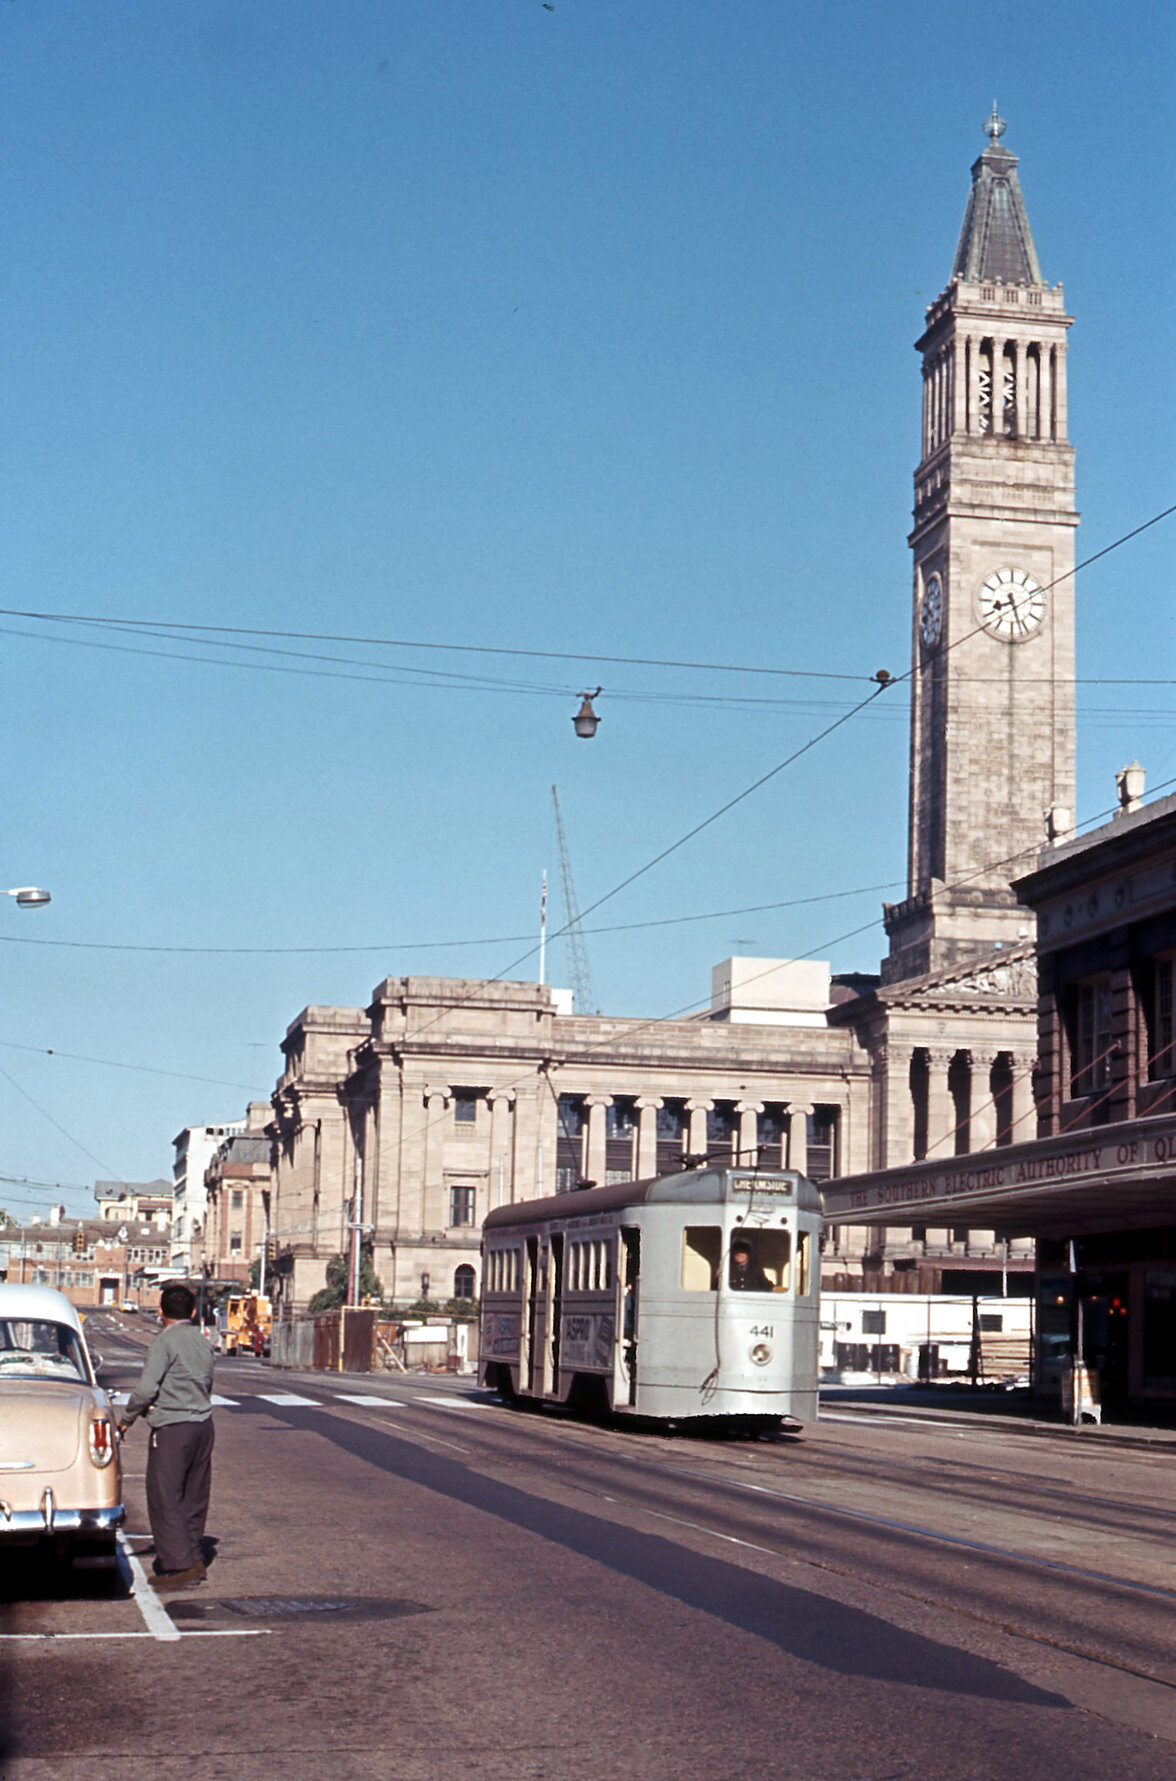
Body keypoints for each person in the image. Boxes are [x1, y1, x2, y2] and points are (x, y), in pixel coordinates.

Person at [117, 1282, 214, 1591]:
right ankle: (193, 1555)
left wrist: (127, 1419)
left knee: (165, 1495)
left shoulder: (164, 1342)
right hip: (202, 1425)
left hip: (173, 1428)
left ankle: (180, 1565)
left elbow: (146, 1389)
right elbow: (206, 1381)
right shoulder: (202, 1341)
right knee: (194, 1495)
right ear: (194, 1312)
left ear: (160, 1312)